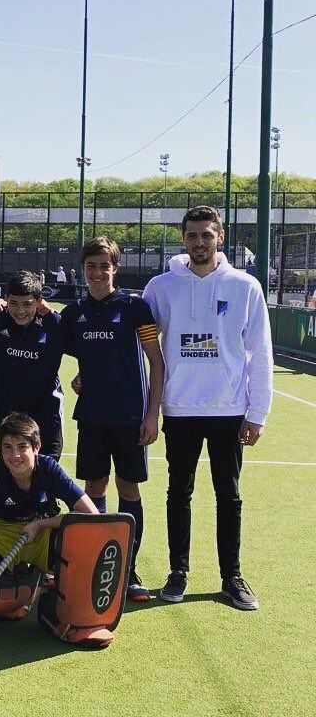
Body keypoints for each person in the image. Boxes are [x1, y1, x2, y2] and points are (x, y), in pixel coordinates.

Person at [143, 205, 272, 611]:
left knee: (228, 495)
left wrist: (257, 413)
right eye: (192, 235)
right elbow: (140, 342)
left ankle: (231, 576)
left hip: (229, 410)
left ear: (220, 237)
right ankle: (177, 573)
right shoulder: (160, 287)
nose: (199, 242)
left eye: (207, 235)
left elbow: (260, 353)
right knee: (178, 493)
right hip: (179, 409)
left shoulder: (245, 286)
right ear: (184, 239)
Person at [60, 236, 164, 603]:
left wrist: (152, 414)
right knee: (94, 489)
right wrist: (81, 377)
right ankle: (98, 564)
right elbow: (79, 355)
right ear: (82, 269)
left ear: (115, 268)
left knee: (129, 490)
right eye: (91, 266)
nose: (98, 272)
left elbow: (156, 361)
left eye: (105, 265)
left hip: (131, 418)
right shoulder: (73, 314)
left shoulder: (136, 308)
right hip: (92, 417)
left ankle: (129, 569)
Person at [0, 413, 97, 617]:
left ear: (36, 448)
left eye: (22, 446)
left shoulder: (49, 468)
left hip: (43, 531)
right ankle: (29, 585)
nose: (15, 455)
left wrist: (42, 524)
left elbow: (91, 514)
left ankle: (37, 589)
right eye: (7, 447)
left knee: (82, 543)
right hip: (4, 532)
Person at [0, 271, 65, 457]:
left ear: (39, 300)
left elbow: (90, 346)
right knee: (9, 469)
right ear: (5, 299)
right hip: (6, 415)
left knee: (46, 472)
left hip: (46, 416)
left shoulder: (55, 324)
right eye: (14, 303)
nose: (20, 311)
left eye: (27, 303)